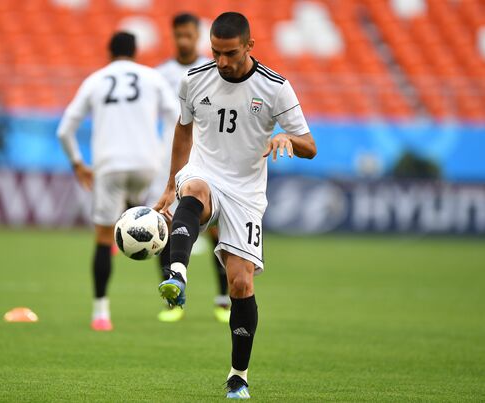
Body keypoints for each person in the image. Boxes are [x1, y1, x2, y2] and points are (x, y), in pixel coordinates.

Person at [154, 12, 316, 399]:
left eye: (229, 53)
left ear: (249, 46)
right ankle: (177, 273)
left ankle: (238, 375)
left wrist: (287, 140)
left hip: (246, 192)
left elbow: (310, 145)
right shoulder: (194, 80)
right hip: (206, 171)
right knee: (193, 189)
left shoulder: (276, 87)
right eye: (215, 52)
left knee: (240, 282)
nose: (221, 61)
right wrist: (167, 186)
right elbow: (183, 128)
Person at [57, 32, 178, 332]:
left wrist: (77, 164)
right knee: (158, 226)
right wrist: (163, 157)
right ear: (136, 51)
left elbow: (64, 130)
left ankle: (101, 313)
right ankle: (172, 301)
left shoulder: (96, 80)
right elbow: (177, 117)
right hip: (147, 165)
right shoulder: (151, 77)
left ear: (109, 52)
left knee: (102, 238)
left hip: (109, 166)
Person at [150, 12, 230, 323]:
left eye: (188, 34)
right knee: (166, 225)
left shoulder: (211, 72)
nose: (183, 40)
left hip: (208, 159)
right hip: (171, 159)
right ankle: (174, 301)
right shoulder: (160, 75)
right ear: (173, 35)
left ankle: (223, 299)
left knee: (216, 230)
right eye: (178, 34)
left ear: (197, 36)